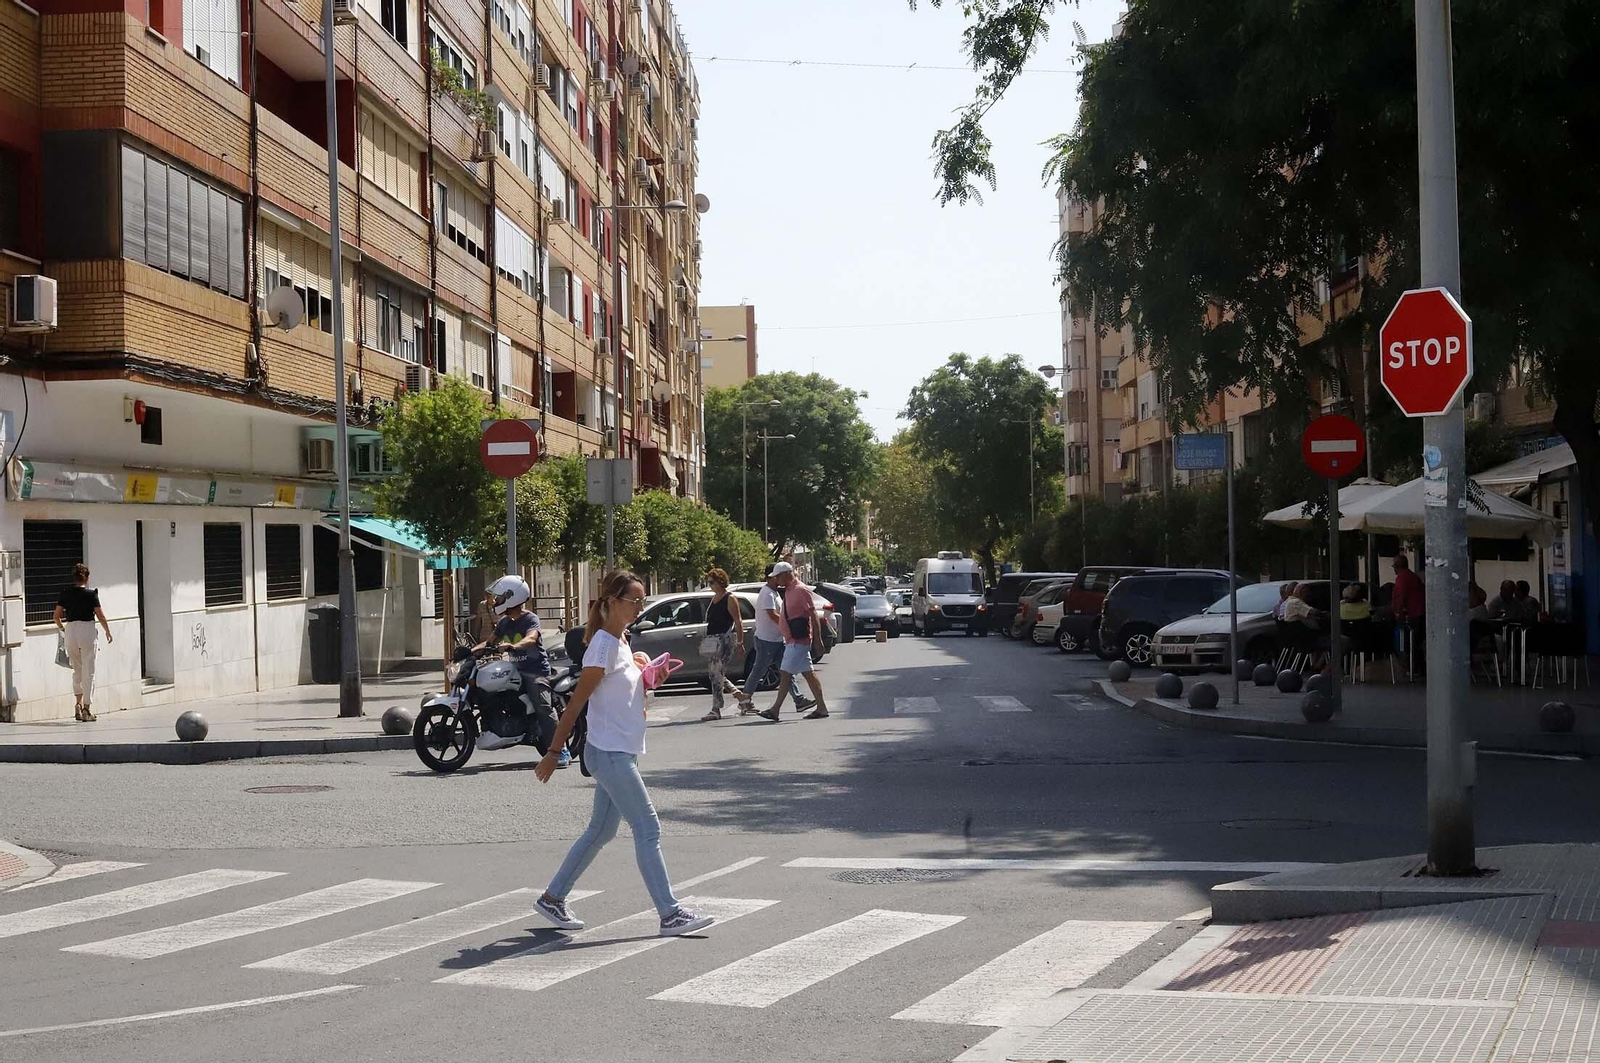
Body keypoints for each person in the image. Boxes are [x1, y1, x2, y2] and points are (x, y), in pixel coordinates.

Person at [532, 571, 714, 938]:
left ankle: (553, 898)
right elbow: (575, 704)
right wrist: (554, 751)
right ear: (612, 601)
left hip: (619, 751)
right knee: (648, 828)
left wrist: (649, 676)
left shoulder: (620, 642)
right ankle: (670, 914)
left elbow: (622, 696)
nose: (639, 607)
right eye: (635, 601)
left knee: (600, 832)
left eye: (642, 601)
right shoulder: (602, 646)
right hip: (610, 754)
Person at [477, 574, 566, 768]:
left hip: (535, 670)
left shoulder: (530, 619)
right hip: (515, 670)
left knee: (543, 707)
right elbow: (489, 641)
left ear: (512, 597)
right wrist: (470, 652)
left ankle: (560, 750)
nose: (496, 602)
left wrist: (514, 646)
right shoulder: (504, 622)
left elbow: (531, 638)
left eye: (500, 598)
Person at [737, 564, 814, 714]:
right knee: (760, 669)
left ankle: (799, 700)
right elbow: (772, 614)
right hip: (767, 639)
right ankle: (745, 699)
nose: (778, 579)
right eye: (776, 576)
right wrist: (788, 624)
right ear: (771, 577)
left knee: (786, 670)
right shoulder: (767, 593)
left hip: (777, 639)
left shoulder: (775, 592)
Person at [759, 566, 830, 721]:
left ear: (786, 574)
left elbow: (812, 614)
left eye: (778, 576)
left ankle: (775, 709)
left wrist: (818, 640)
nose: (777, 580)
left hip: (798, 640)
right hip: (793, 640)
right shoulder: (790, 590)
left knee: (785, 673)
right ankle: (822, 707)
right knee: (808, 674)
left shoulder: (800, 590)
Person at [53, 563, 112, 722]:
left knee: (77, 669)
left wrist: (63, 629)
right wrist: (107, 630)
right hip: (87, 630)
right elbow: (100, 615)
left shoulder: (65, 593)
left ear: (74, 578)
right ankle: (86, 708)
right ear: (87, 577)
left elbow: (56, 616)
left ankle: (77, 704)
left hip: (71, 630)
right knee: (89, 670)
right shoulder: (91, 594)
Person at [699, 568, 746, 722]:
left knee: (716, 674)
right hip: (713, 640)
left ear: (720, 581)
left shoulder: (729, 598)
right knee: (716, 674)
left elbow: (738, 621)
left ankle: (716, 708)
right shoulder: (714, 598)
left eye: (712, 582)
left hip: (724, 640)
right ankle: (741, 697)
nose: (710, 585)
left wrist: (740, 642)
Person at [1390, 554, 1425, 622]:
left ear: (1397, 566)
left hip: (1410, 615)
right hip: (1419, 613)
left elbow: (1401, 597)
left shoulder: (1401, 578)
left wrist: (1397, 613)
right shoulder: (1414, 576)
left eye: (1394, 566)